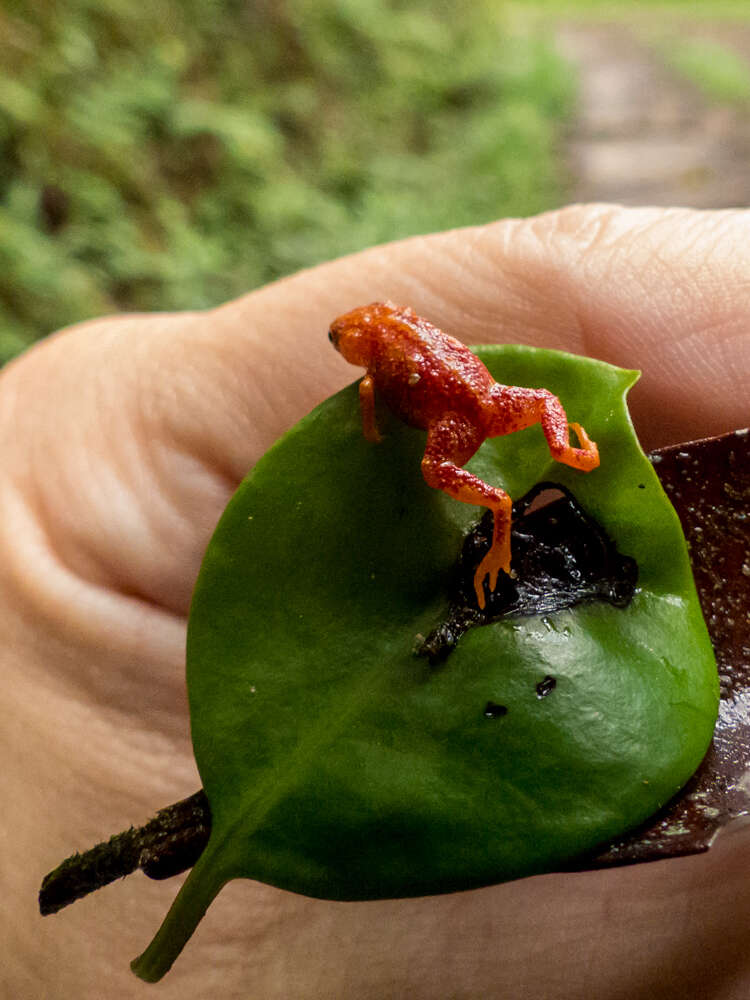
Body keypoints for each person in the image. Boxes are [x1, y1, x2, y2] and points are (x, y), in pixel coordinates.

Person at [2, 203, 749, 999]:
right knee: (496, 435)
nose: (357, 345)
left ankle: (534, 482)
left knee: (474, 461)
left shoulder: (383, 370)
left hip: (471, 403)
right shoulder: (381, 367)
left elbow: (380, 402)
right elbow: (380, 398)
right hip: (481, 400)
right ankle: (534, 478)